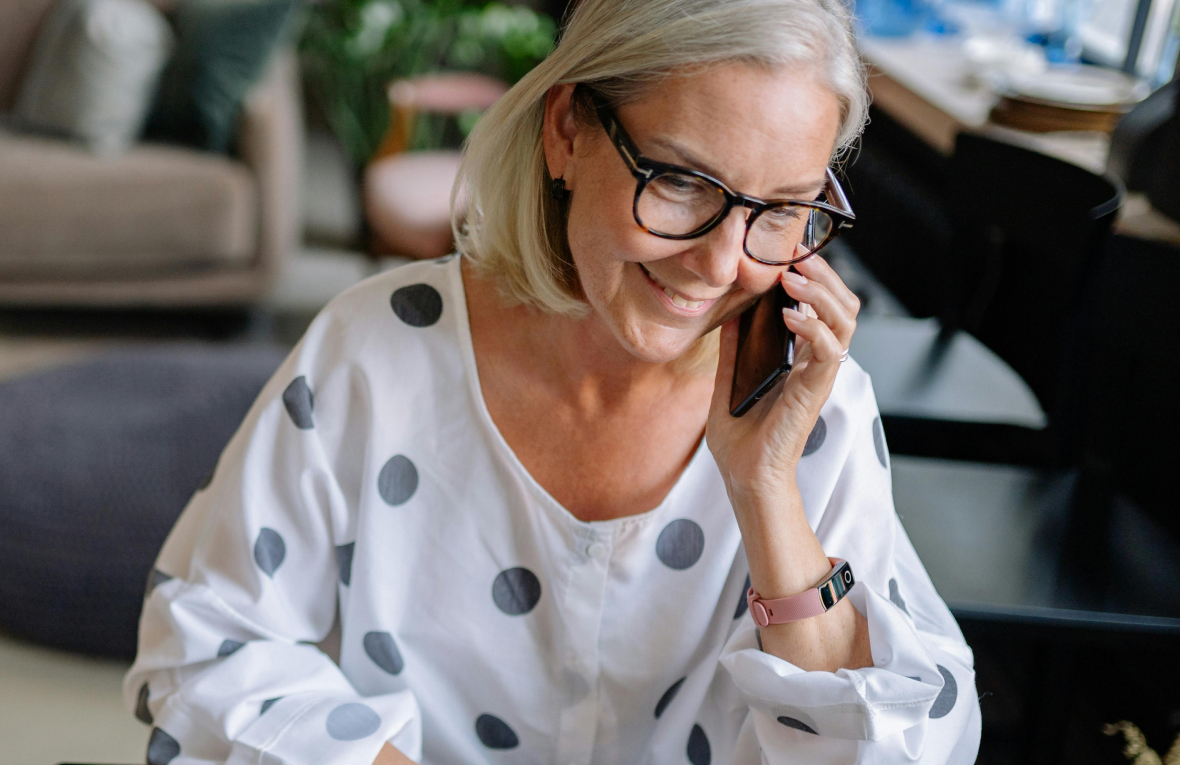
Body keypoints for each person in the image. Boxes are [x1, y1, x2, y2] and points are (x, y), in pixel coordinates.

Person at [124, 0, 982, 761]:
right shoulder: (374, 354)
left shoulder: (813, 411)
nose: (722, 264)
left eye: (783, 209)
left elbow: (893, 748)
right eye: (682, 181)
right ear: (567, 129)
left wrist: (766, 492)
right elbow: (203, 649)